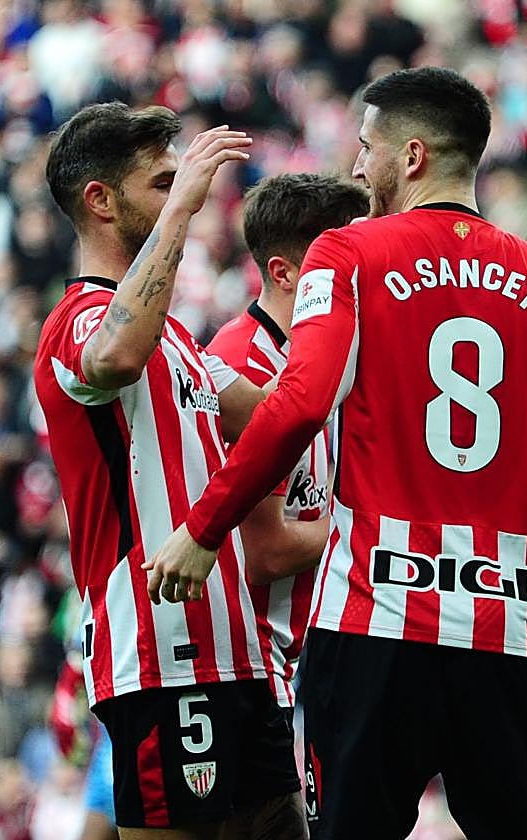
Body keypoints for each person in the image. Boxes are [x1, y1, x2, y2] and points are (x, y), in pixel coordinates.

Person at [146, 67, 527, 839]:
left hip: (372, 630)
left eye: (366, 148)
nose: (357, 168)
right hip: (502, 638)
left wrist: (203, 527)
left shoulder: (347, 254)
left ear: (411, 157)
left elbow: (299, 406)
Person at [33, 102, 307, 838]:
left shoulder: (181, 342)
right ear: (100, 200)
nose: (179, 191)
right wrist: (181, 211)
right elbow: (115, 356)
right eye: (160, 181)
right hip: (160, 654)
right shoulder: (75, 324)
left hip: (239, 651)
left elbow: (280, 414)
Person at [207, 173, 370, 708]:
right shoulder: (243, 367)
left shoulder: (335, 362)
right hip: (247, 663)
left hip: (298, 657)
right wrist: (378, 528)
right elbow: (267, 552)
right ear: (285, 273)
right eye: (344, 261)